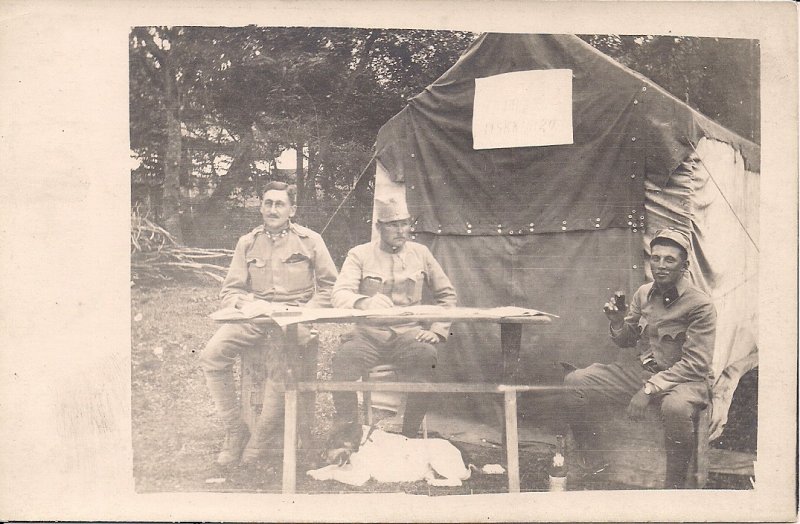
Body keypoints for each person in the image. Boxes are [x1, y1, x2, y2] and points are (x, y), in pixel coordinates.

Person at [563, 228, 716, 489]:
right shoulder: (644, 293)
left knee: (675, 408)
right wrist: (617, 322)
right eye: (655, 258)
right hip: (644, 372)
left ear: (684, 265)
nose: (661, 265)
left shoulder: (700, 305)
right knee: (576, 381)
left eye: (670, 259)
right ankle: (593, 463)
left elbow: (696, 364)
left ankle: (675, 485)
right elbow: (626, 340)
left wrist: (648, 390)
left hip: (684, 380)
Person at [200, 181, 338, 467]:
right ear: (261, 207)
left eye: (280, 204)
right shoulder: (247, 242)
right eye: (268, 203)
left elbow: (330, 288)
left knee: (281, 364)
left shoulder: (310, 241)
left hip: (294, 316)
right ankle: (234, 431)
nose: (273, 209)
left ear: (292, 209)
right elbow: (230, 290)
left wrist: (307, 314)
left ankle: (259, 440)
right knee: (211, 355)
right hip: (257, 316)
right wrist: (244, 304)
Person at [330, 197, 457, 438]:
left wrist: (437, 331)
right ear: (378, 227)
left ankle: (409, 433)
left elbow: (447, 295)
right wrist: (365, 302)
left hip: (409, 335)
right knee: (342, 361)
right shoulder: (360, 254)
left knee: (427, 355)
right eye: (392, 224)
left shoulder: (421, 254)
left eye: (405, 223)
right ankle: (349, 433)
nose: (401, 230)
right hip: (369, 336)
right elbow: (339, 294)